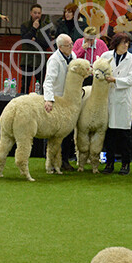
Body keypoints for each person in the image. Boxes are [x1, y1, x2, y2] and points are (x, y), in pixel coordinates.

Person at [99, 32, 132, 175]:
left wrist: (115, 80)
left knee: (124, 135)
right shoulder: (106, 56)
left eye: (127, 43)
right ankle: (109, 163)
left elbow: (130, 79)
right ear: (116, 44)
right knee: (109, 134)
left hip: (123, 100)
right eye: (123, 43)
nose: (126, 45)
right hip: (108, 99)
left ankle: (125, 164)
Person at [42, 34, 77, 170]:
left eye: (72, 43)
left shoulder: (73, 56)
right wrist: (49, 100)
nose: (72, 47)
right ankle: (50, 161)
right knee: (52, 131)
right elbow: (49, 81)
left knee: (67, 132)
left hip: (68, 100)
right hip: (56, 98)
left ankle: (65, 160)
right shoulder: (54, 60)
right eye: (68, 45)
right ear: (60, 47)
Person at [18, 4, 50, 94]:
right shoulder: (24, 25)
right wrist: (33, 29)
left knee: (41, 85)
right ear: (31, 13)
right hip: (27, 60)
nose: (37, 15)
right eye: (35, 13)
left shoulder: (46, 27)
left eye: (39, 13)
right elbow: (24, 40)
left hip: (40, 60)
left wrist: (35, 39)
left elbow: (46, 44)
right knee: (25, 85)